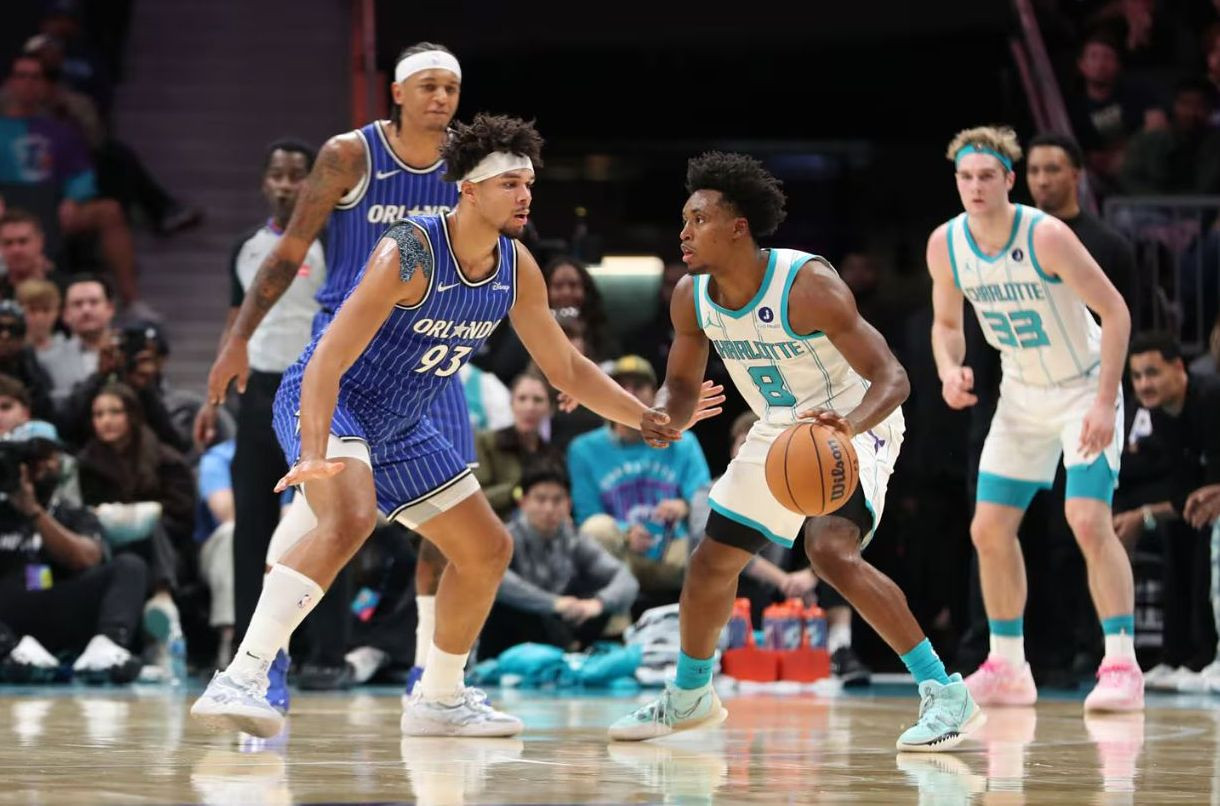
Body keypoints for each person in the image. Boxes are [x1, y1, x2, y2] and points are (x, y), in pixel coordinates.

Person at [191, 114, 684, 739]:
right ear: (469, 189)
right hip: (334, 400)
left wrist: (644, 417)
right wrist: (313, 450)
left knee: (488, 549)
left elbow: (566, 367)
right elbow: (325, 361)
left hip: (401, 424)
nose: (525, 195)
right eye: (510, 183)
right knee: (350, 517)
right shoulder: (410, 251)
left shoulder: (517, 266)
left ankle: (440, 698)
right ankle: (241, 676)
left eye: (529, 184)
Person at [609, 152, 980, 752]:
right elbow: (679, 387)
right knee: (710, 562)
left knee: (829, 551)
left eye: (699, 219)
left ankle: (944, 691)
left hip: (856, 417)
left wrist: (847, 427)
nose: (684, 232)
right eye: (683, 220)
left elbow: (893, 378)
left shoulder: (806, 284)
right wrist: (663, 417)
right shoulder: (690, 297)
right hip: (780, 428)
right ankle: (691, 695)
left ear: (738, 227)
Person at [197, 43, 472, 704]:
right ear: (397, 93)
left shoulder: (469, 164)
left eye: (451, 87)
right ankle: (265, 661)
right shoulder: (350, 156)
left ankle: (428, 678)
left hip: (429, 359)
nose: (441, 98)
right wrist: (239, 338)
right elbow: (288, 250)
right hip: (349, 357)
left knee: (454, 527)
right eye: (428, 86)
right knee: (320, 515)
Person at [927, 126, 1140, 712]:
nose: (975, 186)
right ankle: (1007, 666)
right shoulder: (946, 244)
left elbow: (1116, 312)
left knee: (1087, 519)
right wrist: (949, 368)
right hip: (1021, 396)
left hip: (1083, 388)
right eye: (966, 177)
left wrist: (1104, 401)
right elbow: (946, 324)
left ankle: (1122, 665)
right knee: (988, 529)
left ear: (1009, 180)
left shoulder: (1045, 235)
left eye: (986, 176)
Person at [479, 465, 639, 658]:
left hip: (563, 633)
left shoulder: (576, 541)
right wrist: (554, 603)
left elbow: (626, 579)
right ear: (523, 502)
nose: (549, 509)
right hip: (510, 643)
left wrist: (598, 603)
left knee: (595, 597)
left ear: (568, 504)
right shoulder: (504, 539)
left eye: (557, 500)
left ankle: (578, 652)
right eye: (540, 499)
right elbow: (496, 579)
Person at [473, 370, 560, 520]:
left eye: (538, 400)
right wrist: (518, 490)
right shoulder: (486, 442)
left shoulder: (553, 455)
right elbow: (476, 499)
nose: (530, 407)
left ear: (550, 409)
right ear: (511, 404)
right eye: (522, 399)